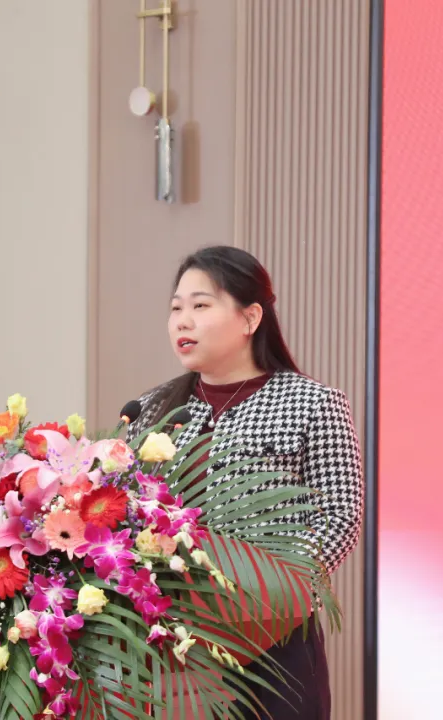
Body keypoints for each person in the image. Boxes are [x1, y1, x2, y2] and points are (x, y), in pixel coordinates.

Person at [126, 245, 365, 720]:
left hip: (274, 634)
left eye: (200, 305)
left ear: (250, 317)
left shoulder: (312, 403)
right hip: (172, 638)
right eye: (176, 308)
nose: (182, 321)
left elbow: (340, 515)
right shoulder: (151, 409)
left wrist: (272, 591)